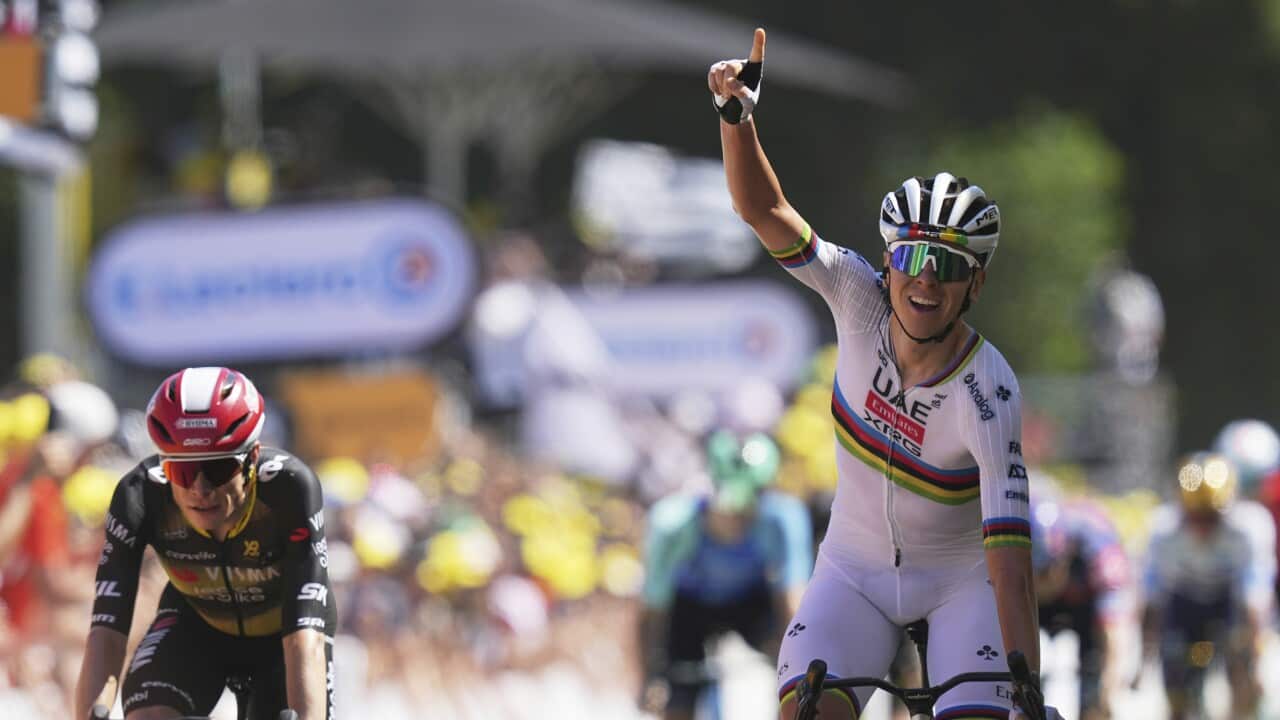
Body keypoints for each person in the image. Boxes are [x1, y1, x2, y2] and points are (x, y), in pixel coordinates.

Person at [711, 28, 1047, 720]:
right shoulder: (854, 296)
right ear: (887, 263)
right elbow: (762, 210)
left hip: (962, 586)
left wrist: (1027, 691)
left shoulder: (991, 393)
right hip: (853, 574)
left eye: (948, 268)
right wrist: (738, 119)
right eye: (912, 261)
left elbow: (1010, 567)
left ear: (974, 285)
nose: (925, 283)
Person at [74, 367, 336, 720]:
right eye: (180, 472)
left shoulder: (288, 489)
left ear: (252, 459)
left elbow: (304, 639)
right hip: (195, 626)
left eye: (217, 469)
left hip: (283, 637)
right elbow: (107, 630)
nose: (199, 489)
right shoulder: (140, 495)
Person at [639, 430, 813, 720]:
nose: (740, 519)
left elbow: (792, 605)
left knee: (793, 678)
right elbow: (652, 611)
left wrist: (795, 677)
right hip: (689, 607)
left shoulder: (783, 519)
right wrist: (649, 675)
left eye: (750, 508)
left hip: (750, 602)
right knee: (677, 697)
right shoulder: (671, 525)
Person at [1142, 452, 1275, 720]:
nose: (1202, 528)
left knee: (1242, 666)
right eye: (1194, 517)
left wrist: (1256, 663)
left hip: (1228, 600)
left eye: (1211, 517)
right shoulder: (1163, 530)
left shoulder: (1251, 527)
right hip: (1183, 600)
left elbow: (1255, 600)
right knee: (1175, 679)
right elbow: (1153, 601)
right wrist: (1146, 657)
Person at [1030, 494, 1136, 720]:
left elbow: (1116, 636)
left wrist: (1108, 691)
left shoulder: (1099, 554)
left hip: (1086, 607)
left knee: (1096, 688)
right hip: (1037, 605)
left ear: (1064, 557)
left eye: (1045, 572)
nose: (1040, 583)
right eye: (1031, 574)